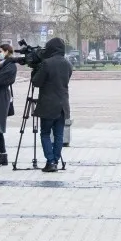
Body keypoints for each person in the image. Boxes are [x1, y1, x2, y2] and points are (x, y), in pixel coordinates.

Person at [31, 37, 73, 172]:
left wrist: (35, 70)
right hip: (63, 105)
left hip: (48, 104)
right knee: (59, 135)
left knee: (45, 133)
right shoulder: (68, 64)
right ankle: (55, 160)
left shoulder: (47, 63)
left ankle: (50, 161)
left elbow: (36, 82)